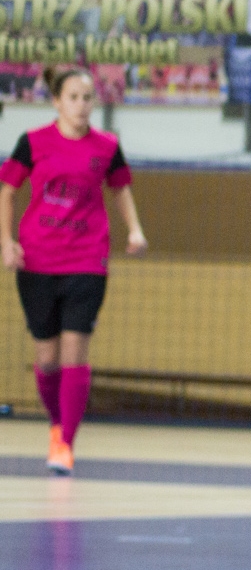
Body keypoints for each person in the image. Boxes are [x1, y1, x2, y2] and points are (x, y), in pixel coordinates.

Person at [0, 65, 148, 476]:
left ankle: (66, 443)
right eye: (74, 98)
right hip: (37, 259)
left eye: (88, 99)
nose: (82, 106)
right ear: (57, 102)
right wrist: (6, 242)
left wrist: (134, 229)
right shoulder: (32, 143)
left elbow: (120, 189)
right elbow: (7, 192)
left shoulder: (107, 145)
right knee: (46, 360)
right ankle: (56, 424)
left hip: (87, 259)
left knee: (74, 351)